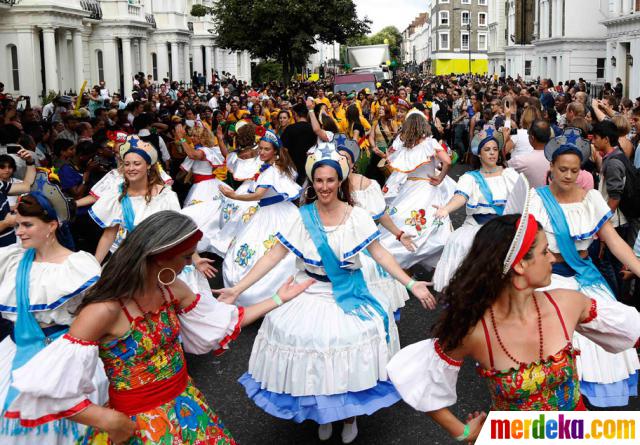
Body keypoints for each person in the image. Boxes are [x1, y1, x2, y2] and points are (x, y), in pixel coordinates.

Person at [5, 211, 313, 444]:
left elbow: (222, 322)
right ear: (159, 258)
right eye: (182, 257)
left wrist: (278, 297)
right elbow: (48, 391)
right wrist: (107, 420)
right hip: (138, 424)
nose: (188, 264)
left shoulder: (170, 289)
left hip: (186, 405)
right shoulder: (103, 310)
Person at [217, 142, 436, 444]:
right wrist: (237, 288)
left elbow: (380, 254)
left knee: (346, 345)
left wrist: (411, 284)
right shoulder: (302, 216)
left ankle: (348, 415)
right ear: (312, 182)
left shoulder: (356, 216)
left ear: (340, 181)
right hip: (309, 289)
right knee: (311, 348)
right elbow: (273, 255)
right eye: (318, 180)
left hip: (348, 290)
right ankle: (324, 412)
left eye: (330, 180)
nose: (324, 186)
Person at [387, 213, 640, 442]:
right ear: (520, 265)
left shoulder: (568, 302)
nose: (553, 257)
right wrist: (462, 432)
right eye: (544, 252)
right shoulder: (474, 330)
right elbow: (419, 381)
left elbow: (632, 330)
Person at [528, 131, 640, 407]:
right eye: (562, 169)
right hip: (547, 282)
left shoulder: (591, 199)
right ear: (551, 168)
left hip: (585, 278)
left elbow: (614, 242)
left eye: (574, 170)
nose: (568, 175)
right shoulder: (535, 199)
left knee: (601, 347)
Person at [0, 175, 107, 444]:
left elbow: (98, 314)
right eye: (18, 224)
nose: (19, 230)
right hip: (18, 350)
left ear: (51, 226)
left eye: (27, 225)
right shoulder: (12, 260)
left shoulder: (77, 266)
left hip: (63, 358)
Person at [219, 130, 301, 306]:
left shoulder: (270, 171)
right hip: (279, 211)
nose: (262, 152)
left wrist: (234, 196)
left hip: (271, 214)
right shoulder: (278, 167)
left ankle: (260, 295)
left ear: (275, 152)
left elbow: (258, 195)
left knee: (269, 251)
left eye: (266, 149)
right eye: (261, 148)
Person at [433, 129, 519, 292]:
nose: (492, 153)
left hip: (503, 228)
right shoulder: (470, 178)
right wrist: (446, 209)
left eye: (494, 149)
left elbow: (522, 198)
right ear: (479, 154)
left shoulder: (510, 175)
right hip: (476, 227)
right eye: (487, 150)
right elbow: (461, 196)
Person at [378, 110, 455, 269]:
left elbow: (391, 160)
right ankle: (434, 261)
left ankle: (399, 262)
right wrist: (439, 178)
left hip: (408, 187)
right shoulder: (430, 143)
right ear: (423, 125)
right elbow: (447, 161)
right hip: (427, 187)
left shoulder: (404, 148)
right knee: (433, 226)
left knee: (401, 219)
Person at [90, 135, 180, 262]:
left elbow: (178, 230)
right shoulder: (117, 196)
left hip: (158, 261)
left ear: (148, 166)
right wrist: (95, 266)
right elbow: (108, 235)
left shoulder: (165, 196)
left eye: (136, 164)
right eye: (127, 164)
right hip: (127, 261)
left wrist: (194, 258)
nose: (131, 168)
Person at [0, 149, 35, 247]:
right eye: (2, 167)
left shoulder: (1, 185)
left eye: (9, 167)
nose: (6, 170)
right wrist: (7, 223)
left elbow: (26, 186)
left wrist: (30, 162)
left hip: (11, 246)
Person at [507, 119, 552, 187]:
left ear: (532, 138)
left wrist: (505, 136)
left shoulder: (520, 161)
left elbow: (503, 169)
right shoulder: (557, 158)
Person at [281, 103, 317, 185]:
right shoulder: (314, 129)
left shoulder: (289, 129)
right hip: (311, 166)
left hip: (293, 168)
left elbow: (284, 150)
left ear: (295, 114)